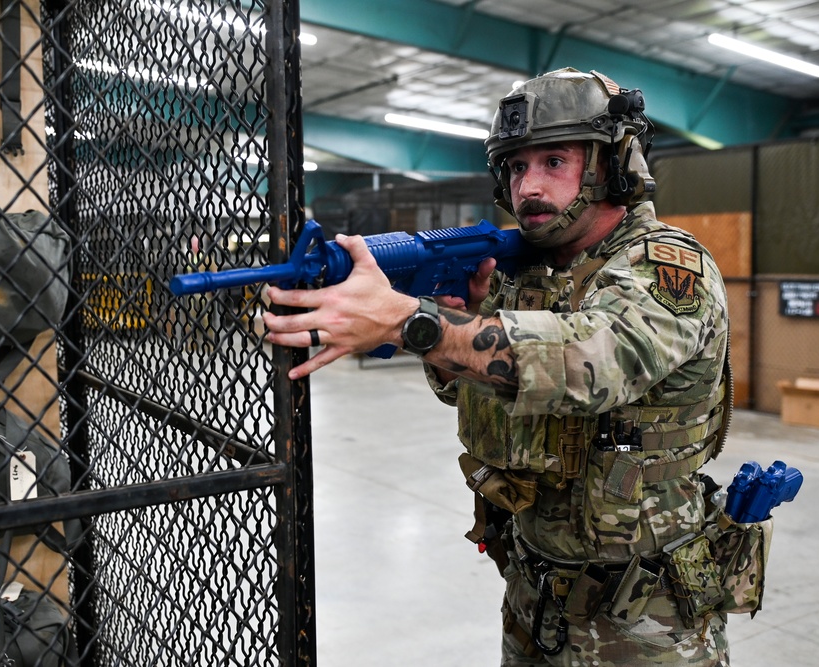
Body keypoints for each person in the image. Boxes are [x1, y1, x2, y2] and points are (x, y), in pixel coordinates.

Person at [264, 67, 733, 666]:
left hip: (645, 618)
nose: (528, 187)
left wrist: (411, 321)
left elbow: (591, 363)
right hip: (535, 592)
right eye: (515, 166)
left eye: (554, 162)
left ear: (613, 165)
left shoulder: (668, 265)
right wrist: (450, 324)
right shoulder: (527, 273)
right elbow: (476, 387)